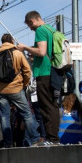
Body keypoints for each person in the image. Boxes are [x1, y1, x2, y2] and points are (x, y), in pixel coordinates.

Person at [0, 33, 40, 147]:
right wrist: (24, 84)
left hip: (2, 91)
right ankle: (35, 138)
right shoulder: (18, 53)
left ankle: (7, 142)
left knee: (4, 116)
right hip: (16, 89)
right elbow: (27, 71)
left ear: (1, 42)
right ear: (12, 41)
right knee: (26, 114)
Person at [17, 11, 60, 144]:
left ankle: (51, 138)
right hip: (53, 71)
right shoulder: (51, 29)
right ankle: (53, 137)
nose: (30, 28)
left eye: (29, 25)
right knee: (53, 106)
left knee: (45, 107)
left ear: (32, 21)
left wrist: (24, 47)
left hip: (44, 72)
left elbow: (41, 52)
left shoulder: (40, 30)